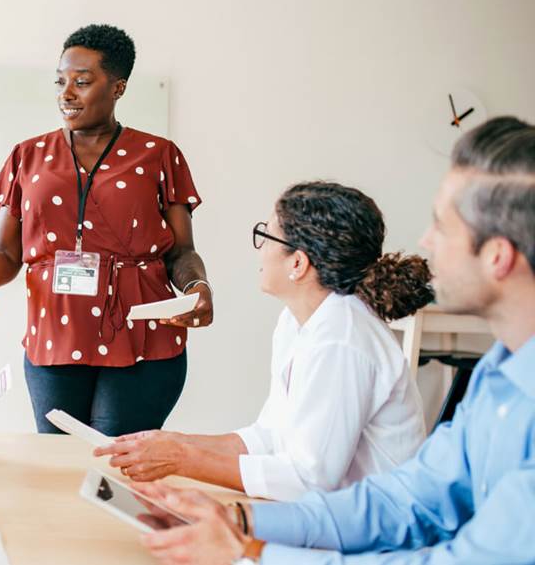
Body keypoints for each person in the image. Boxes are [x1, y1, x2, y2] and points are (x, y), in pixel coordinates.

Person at [135, 116, 535, 565]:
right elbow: (409, 499)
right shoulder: (497, 374)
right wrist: (243, 522)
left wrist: (249, 554)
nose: (425, 240)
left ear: (498, 256)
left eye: (442, 227)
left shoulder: (344, 335)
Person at [0, 24, 213, 436]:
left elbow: (180, 252)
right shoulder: (28, 155)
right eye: (60, 81)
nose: (66, 93)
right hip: (56, 337)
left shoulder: (158, 155)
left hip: (141, 338)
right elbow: (5, 254)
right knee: (59, 464)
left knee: (116, 463)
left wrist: (197, 286)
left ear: (118, 88)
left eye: (82, 82)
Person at [96, 181, 430, 500]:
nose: (259, 251)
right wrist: (171, 443)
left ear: (298, 263)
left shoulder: (341, 339)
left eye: (266, 237)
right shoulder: (297, 321)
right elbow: (269, 437)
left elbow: (308, 480)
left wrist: (182, 459)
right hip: (333, 515)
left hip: (377, 539)